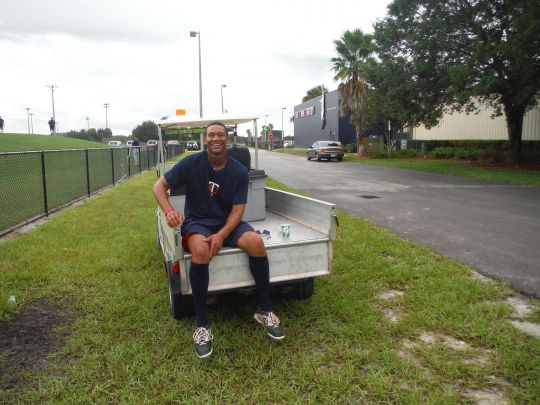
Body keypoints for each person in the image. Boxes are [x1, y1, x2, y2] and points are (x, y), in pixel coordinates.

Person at [153, 121, 284, 358]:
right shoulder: (192, 163)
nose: (216, 138)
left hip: (228, 223)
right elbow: (159, 186)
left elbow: (238, 210)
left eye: (220, 135)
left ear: (228, 140)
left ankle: (265, 310)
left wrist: (222, 235)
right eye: (211, 135)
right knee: (201, 251)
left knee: (256, 243)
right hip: (199, 222)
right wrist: (169, 211)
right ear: (205, 140)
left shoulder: (238, 171)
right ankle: (202, 325)